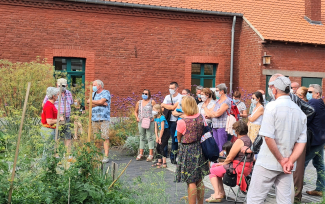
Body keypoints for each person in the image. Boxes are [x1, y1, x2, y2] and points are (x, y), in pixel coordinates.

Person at [247, 76, 307, 203]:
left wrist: (281, 159)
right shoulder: (299, 112)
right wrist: (290, 161)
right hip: (287, 164)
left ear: (274, 90)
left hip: (268, 161)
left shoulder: (272, 107)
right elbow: (301, 142)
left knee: (255, 198)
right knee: (285, 199)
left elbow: (268, 136)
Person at [206, 121, 253, 203]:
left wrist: (223, 164)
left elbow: (230, 157)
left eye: (234, 130)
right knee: (215, 166)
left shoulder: (239, 141)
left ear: (237, 131)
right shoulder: (248, 139)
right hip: (245, 167)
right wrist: (222, 164)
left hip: (238, 167)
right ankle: (221, 192)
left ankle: (217, 194)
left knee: (212, 170)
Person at [175, 96, 209, 204]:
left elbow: (179, 137)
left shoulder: (182, 121)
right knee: (199, 179)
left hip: (188, 150)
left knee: (191, 181)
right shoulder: (201, 117)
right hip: (200, 148)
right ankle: (200, 203)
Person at [42, 78, 73, 156]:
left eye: (63, 86)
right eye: (60, 85)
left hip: (66, 118)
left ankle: (67, 155)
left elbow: (71, 103)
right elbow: (44, 104)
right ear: (57, 85)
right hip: (56, 119)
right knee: (56, 137)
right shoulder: (53, 93)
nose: (61, 87)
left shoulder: (68, 93)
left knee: (67, 136)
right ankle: (56, 155)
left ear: (66, 85)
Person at [304, 84, 325, 197]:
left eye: (310, 92)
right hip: (320, 139)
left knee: (302, 164)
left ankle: (296, 190)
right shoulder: (321, 103)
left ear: (317, 93)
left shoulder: (315, 102)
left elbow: (306, 118)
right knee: (319, 164)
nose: (308, 93)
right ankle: (321, 188)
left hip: (314, 141)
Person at [88, 79, 111, 163]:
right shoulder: (93, 94)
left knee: (105, 137)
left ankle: (106, 156)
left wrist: (98, 102)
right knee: (96, 138)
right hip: (94, 118)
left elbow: (101, 101)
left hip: (104, 118)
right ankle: (98, 155)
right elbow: (89, 103)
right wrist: (100, 103)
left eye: (94, 85)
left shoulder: (106, 92)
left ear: (99, 86)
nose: (93, 87)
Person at [203, 83, 231, 152]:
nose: (216, 92)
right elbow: (210, 112)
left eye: (217, 90)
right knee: (216, 145)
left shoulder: (226, 101)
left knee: (222, 146)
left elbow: (217, 114)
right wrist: (211, 114)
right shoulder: (218, 101)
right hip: (215, 125)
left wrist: (204, 107)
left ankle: (222, 161)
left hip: (222, 126)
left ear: (222, 91)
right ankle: (217, 161)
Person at [161, 82, 182, 164]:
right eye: (169, 88)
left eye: (172, 88)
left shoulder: (181, 97)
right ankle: (164, 157)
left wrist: (165, 105)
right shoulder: (167, 97)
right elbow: (161, 107)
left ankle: (173, 157)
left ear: (177, 88)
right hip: (167, 120)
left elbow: (174, 107)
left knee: (174, 140)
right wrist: (166, 106)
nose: (170, 90)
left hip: (175, 121)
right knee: (165, 139)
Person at [41, 87, 64, 156]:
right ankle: (45, 166)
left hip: (50, 129)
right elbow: (49, 121)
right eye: (57, 95)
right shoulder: (49, 106)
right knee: (48, 150)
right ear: (53, 96)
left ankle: (48, 165)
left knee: (50, 150)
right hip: (48, 130)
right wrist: (59, 119)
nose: (58, 96)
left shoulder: (51, 105)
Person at [134, 89, 156, 162]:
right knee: (142, 137)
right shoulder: (139, 102)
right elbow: (136, 111)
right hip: (141, 121)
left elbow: (156, 111)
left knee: (150, 137)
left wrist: (154, 118)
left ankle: (151, 154)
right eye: (143, 93)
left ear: (149, 95)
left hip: (149, 121)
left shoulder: (152, 102)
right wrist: (137, 118)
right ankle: (141, 154)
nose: (144, 95)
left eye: (146, 94)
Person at [152, 104, 170, 168]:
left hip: (165, 132)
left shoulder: (162, 117)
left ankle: (164, 163)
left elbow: (162, 129)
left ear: (158, 110)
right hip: (161, 133)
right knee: (158, 147)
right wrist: (157, 137)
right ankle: (159, 162)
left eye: (154, 109)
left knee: (162, 147)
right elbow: (156, 128)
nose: (153, 111)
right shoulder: (155, 118)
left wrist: (160, 138)